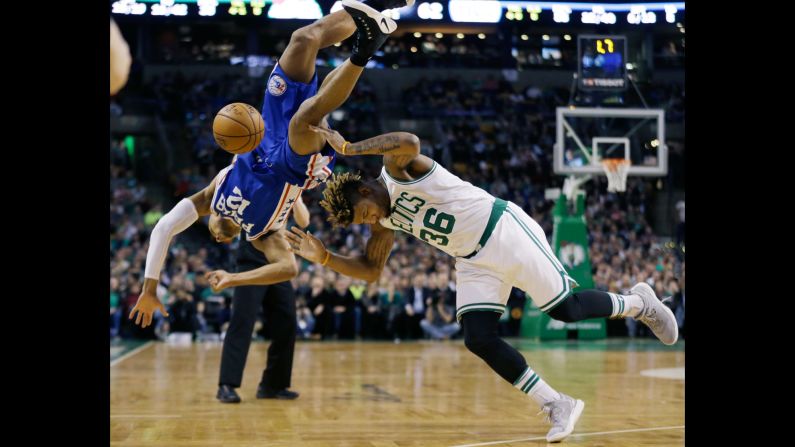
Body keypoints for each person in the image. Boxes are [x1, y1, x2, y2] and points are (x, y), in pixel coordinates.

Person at [285, 126, 679, 443]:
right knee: (477, 337)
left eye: (365, 212)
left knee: (566, 309)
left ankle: (639, 304)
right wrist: (324, 258)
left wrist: (350, 147)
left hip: (502, 231)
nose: (369, 220)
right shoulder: (384, 223)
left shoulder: (399, 168)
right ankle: (557, 402)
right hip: (473, 261)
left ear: (366, 190)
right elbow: (371, 271)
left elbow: (409, 140)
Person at [129, 0, 406, 328]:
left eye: (213, 234)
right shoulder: (262, 234)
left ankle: (377, 8)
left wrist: (150, 287)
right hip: (292, 165)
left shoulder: (211, 195)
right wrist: (234, 279)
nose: (218, 237)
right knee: (306, 118)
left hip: (266, 132)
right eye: (223, 241)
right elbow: (288, 269)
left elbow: (163, 228)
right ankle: (365, 48)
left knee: (303, 39)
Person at [216, 198, 309, 403]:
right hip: (251, 256)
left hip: (279, 261)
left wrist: (297, 198)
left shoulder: (291, 187)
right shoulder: (259, 181)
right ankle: (226, 385)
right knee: (243, 320)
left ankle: (273, 385)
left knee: (287, 322)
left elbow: (303, 221)